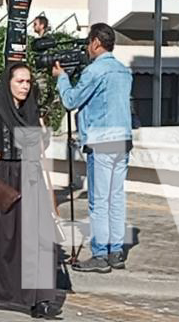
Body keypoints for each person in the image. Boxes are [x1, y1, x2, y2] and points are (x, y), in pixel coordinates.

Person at [0, 63, 68, 320]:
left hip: (28, 176)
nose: (25, 87)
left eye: (28, 82)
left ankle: (39, 299)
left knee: (37, 235)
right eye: (20, 81)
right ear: (8, 82)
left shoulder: (31, 110)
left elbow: (39, 147)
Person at [53, 23, 132, 273]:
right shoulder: (124, 71)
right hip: (123, 139)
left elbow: (71, 100)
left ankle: (99, 253)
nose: (87, 48)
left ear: (96, 42)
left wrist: (62, 78)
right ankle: (116, 251)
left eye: (89, 42)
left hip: (101, 141)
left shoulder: (95, 70)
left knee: (98, 201)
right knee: (116, 198)